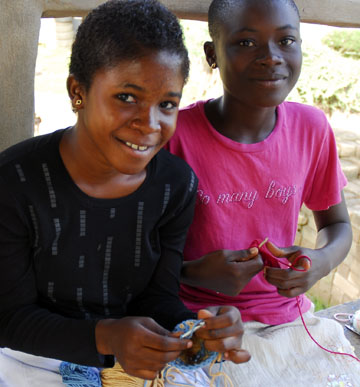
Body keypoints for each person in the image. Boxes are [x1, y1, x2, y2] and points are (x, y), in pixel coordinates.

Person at [0, 1, 250, 385]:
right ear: (77, 91)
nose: (149, 124)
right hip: (28, 354)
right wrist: (107, 337)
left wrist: (196, 328)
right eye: (127, 97)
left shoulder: (175, 185)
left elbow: (158, 297)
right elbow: (10, 318)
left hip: (132, 348)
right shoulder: (15, 182)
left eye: (167, 104)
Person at [167, 0, 360, 384]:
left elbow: (337, 225)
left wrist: (319, 262)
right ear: (212, 54)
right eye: (246, 43)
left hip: (286, 320)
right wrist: (193, 275)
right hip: (196, 319)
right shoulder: (175, 137)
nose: (270, 58)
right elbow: (132, 255)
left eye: (286, 40)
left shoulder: (311, 129)